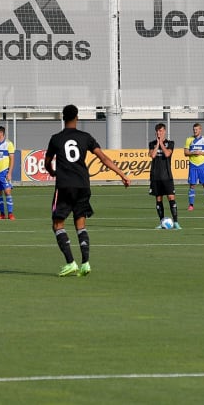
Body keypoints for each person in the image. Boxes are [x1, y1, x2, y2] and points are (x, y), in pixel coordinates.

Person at [44, 104, 131, 277]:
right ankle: (85, 263)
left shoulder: (56, 139)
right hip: (83, 185)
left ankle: (70, 263)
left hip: (64, 186)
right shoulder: (86, 137)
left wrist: (53, 171)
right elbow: (104, 158)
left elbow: (47, 162)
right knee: (80, 224)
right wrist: (122, 175)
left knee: (57, 225)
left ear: (63, 118)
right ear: (77, 117)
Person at [148, 123, 180, 230]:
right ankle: (161, 222)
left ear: (164, 131)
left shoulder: (170, 143)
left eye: (161, 131)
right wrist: (157, 144)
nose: (159, 133)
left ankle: (175, 222)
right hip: (155, 176)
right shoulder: (152, 144)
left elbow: (167, 154)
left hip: (167, 176)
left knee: (171, 197)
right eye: (157, 131)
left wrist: (161, 143)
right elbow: (152, 155)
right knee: (158, 199)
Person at [185, 122, 204, 212]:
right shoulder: (189, 139)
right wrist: (193, 152)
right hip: (193, 165)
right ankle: (191, 205)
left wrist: (201, 152)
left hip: (203, 165)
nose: (195, 131)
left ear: (200, 130)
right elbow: (185, 153)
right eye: (194, 129)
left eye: (197, 129)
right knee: (192, 185)